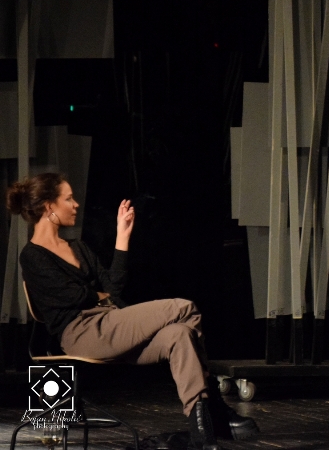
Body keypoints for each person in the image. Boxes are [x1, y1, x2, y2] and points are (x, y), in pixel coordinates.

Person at [6, 173, 258, 450]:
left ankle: (203, 435)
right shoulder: (32, 255)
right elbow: (71, 297)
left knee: (180, 334)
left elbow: (113, 288)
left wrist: (122, 235)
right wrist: (98, 295)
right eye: (68, 199)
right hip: (81, 333)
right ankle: (217, 412)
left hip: (112, 323)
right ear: (49, 206)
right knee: (184, 307)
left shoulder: (77, 247)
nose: (76, 204)